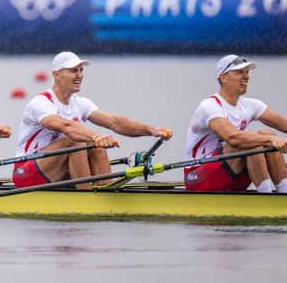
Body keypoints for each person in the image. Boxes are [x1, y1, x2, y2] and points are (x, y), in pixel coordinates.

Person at [183, 55, 287, 193]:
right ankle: (266, 198)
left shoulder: (250, 105)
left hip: (229, 175)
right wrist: (269, 142)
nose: (246, 76)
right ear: (223, 77)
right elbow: (233, 138)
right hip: (198, 178)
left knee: (267, 134)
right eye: (240, 72)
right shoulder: (210, 106)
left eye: (247, 72)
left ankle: (283, 194)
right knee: (257, 140)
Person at [12, 52, 174, 189]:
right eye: (73, 70)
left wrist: (150, 130)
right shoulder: (41, 103)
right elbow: (66, 127)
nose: (79, 75)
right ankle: (88, 198)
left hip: (54, 170)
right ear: (56, 75)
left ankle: (107, 192)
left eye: (81, 70)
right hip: (26, 173)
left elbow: (114, 122)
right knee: (76, 141)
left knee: (95, 146)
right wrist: (96, 137)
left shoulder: (79, 103)